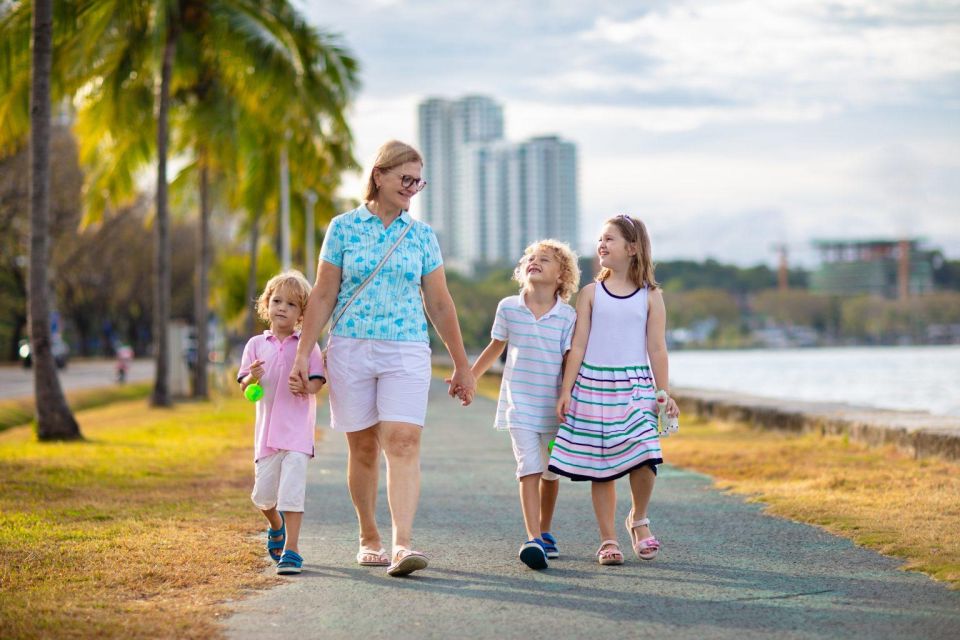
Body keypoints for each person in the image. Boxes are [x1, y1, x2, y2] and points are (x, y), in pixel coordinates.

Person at [289, 140, 476, 578]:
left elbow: (441, 303)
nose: (412, 188)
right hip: (351, 346)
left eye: (418, 181)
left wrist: (461, 364)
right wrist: (304, 351)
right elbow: (322, 294)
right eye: (405, 178)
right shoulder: (343, 228)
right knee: (365, 447)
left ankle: (402, 543)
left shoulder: (422, 235)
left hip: (407, 347)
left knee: (404, 440)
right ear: (379, 175)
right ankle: (368, 535)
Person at [550, 215, 680, 565]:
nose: (601, 245)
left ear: (632, 248)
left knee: (646, 452)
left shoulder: (651, 297)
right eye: (600, 240)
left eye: (610, 239)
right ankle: (608, 540)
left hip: (636, 386)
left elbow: (657, 348)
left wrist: (663, 391)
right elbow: (577, 346)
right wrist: (567, 390)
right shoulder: (591, 294)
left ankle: (638, 518)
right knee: (602, 465)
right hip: (592, 387)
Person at [470, 240, 579, 570]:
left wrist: (568, 395)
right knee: (528, 467)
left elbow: (568, 360)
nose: (535, 262)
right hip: (519, 407)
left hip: (553, 412)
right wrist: (469, 377)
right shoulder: (508, 307)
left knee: (550, 470)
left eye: (544, 259)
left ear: (561, 275)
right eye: (530, 258)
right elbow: (495, 347)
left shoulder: (567, 316)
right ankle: (533, 537)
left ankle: (545, 531)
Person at [238, 271, 326, 576]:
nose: (282, 308)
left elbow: (317, 383)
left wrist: (306, 388)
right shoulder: (255, 346)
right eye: (277, 301)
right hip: (266, 436)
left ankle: (292, 549)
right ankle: (276, 526)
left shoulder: (308, 346)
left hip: (297, 433)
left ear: (302, 313)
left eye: (291, 304)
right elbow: (246, 389)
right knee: (262, 496)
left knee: (291, 492)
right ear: (266, 304)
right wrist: (253, 378)